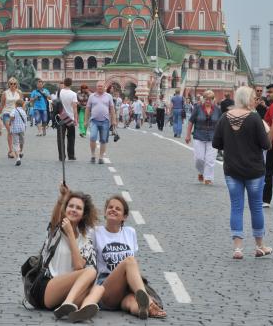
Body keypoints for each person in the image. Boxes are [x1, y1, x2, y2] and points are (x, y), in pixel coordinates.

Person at [26, 183, 102, 321]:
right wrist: (62, 197)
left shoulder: (86, 240)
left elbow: (78, 266)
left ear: (83, 214)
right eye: (71, 206)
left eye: (78, 208)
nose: (73, 209)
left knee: (99, 288)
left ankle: (80, 311)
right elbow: (55, 217)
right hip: (46, 287)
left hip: (67, 291)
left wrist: (72, 236)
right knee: (91, 271)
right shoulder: (56, 230)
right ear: (65, 208)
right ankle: (69, 303)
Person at [212, 86, 272, 259]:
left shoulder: (224, 117)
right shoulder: (254, 118)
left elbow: (216, 143)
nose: (255, 100)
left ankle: (237, 248)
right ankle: (260, 246)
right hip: (254, 170)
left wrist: (232, 144)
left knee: (236, 207)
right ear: (247, 99)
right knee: (256, 208)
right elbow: (266, 145)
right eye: (253, 97)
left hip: (232, 169)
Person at [91, 195, 166, 319]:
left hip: (127, 287)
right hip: (106, 285)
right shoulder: (96, 232)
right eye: (110, 207)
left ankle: (144, 310)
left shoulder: (130, 232)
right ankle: (149, 302)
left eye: (118, 209)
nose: (113, 209)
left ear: (124, 217)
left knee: (133, 303)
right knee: (130, 261)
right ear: (105, 212)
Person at [185, 90, 222, 184]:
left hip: (213, 137)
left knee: (210, 159)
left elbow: (221, 124)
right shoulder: (197, 108)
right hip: (199, 135)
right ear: (203, 99)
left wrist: (222, 137)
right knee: (199, 158)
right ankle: (201, 172)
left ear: (213, 100)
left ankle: (208, 178)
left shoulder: (217, 110)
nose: (208, 101)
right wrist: (188, 135)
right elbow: (190, 122)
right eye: (206, 99)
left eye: (210, 99)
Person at [85, 82, 115, 164]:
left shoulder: (109, 96)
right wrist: (85, 121)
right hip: (94, 120)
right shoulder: (92, 96)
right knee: (92, 137)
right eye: (98, 86)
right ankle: (93, 155)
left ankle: (101, 157)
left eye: (101, 86)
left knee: (103, 140)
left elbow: (112, 109)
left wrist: (114, 120)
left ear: (104, 87)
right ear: (96, 87)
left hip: (105, 121)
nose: (100, 87)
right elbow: (87, 109)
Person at [0, 78, 22, 158]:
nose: (13, 85)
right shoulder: (5, 93)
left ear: (16, 84)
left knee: (16, 132)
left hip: (16, 114)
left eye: (14, 83)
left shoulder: (19, 92)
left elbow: (21, 104)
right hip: (7, 113)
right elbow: (2, 105)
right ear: (8, 84)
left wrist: (23, 113)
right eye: (11, 83)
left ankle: (13, 149)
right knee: (10, 131)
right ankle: (11, 150)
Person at [57, 78, 78, 161]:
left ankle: (61, 156)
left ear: (64, 83)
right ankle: (71, 155)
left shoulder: (59, 92)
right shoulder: (73, 94)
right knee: (71, 137)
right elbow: (74, 107)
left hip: (61, 117)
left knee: (60, 138)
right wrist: (75, 119)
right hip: (70, 118)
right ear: (71, 84)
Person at [10, 98, 27, 166]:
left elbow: (11, 116)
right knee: (22, 141)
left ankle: (18, 158)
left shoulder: (14, 110)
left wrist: (11, 121)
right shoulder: (23, 111)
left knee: (15, 143)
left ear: (16, 105)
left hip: (15, 129)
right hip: (22, 129)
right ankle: (20, 151)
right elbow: (25, 121)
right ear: (23, 105)